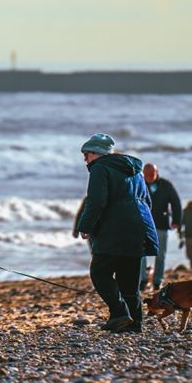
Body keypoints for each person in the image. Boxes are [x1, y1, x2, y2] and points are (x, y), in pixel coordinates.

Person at [72, 134, 157, 334]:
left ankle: (119, 313)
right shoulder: (134, 170)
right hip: (140, 228)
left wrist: (86, 226)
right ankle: (135, 322)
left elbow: (96, 201)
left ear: (97, 153)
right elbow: (147, 201)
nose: (85, 159)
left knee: (99, 272)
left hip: (114, 229)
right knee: (129, 279)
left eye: (87, 154)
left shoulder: (100, 168)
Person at [142, 163, 182, 290]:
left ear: (157, 172)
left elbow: (176, 203)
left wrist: (176, 220)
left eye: (151, 174)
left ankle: (157, 280)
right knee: (140, 254)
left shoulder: (166, 185)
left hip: (161, 224)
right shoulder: (139, 184)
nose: (148, 177)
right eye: (146, 174)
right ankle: (142, 280)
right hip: (142, 224)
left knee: (160, 254)